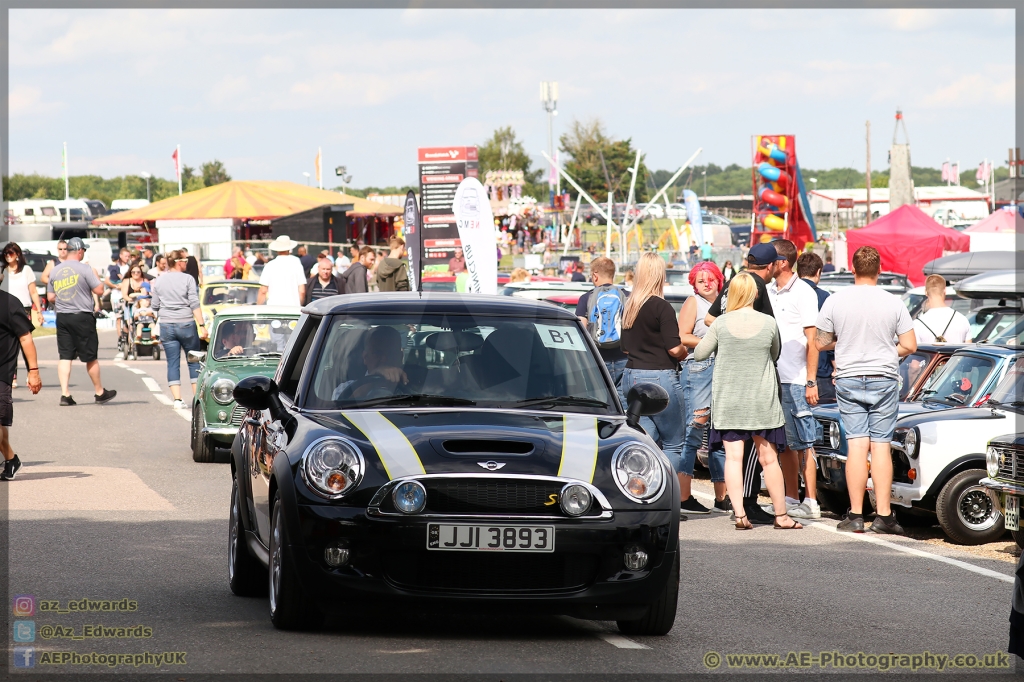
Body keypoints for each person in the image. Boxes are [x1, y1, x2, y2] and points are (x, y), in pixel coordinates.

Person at [815, 245, 917, 534]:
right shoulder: (894, 302)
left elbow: (821, 342)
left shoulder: (836, 301)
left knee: (857, 445)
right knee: (881, 446)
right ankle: (884, 515)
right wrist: (885, 349)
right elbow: (910, 345)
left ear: (852, 269)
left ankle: (856, 514)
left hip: (848, 377)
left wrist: (845, 342)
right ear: (880, 270)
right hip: (883, 375)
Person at [694, 272, 799, 530]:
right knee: (769, 458)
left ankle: (740, 515)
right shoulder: (768, 323)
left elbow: (699, 354)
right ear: (755, 294)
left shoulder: (720, 324)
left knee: (733, 457)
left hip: (730, 400)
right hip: (762, 399)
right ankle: (782, 515)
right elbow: (775, 353)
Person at [704, 242, 782, 525]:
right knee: (758, 449)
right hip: (752, 381)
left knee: (736, 451)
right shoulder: (756, 286)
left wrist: (727, 334)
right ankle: (750, 502)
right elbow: (773, 339)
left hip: (729, 381)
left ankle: (741, 508)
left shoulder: (737, 282)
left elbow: (711, 317)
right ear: (772, 266)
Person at [619, 253, 689, 503]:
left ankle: (638, 496)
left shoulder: (630, 305)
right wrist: (686, 352)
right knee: (673, 443)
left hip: (631, 376)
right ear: (659, 275)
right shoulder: (662, 306)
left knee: (644, 442)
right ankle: (666, 500)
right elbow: (674, 348)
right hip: (660, 378)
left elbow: (625, 348)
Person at [766, 239, 823, 521]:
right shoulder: (768, 291)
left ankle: (811, 500)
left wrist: (811, 380)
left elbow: (813, 340)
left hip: (797, 378)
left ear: (783, 263)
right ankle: (790, 497)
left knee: (804, 441)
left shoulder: (803, 292)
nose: (766, 262)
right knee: (785, 444)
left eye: (770, 258)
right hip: (774, 378)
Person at [676, 260, 728, 514]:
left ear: (719, 279)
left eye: (710, 279)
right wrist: (711, 342)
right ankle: (683, 495)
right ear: (694, 285)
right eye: (700, 280)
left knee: (721, 432)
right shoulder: (693, 303)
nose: (706, 284)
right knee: (694, 430)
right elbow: (682, 336)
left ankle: (722, 496)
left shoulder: (728, 303)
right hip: (699, 367)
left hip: (724, 368)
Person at [46, 238, 116, 406]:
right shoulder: (85, 269)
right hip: (82, 315)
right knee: (90, 356)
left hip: (63, 316)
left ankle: (65, 394)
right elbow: (99, 289)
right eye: (84, 250)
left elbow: (50, 297)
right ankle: (99, 392)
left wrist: (65, 300)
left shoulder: (55, 270)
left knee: (65, 356)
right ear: (79, 251)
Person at [151, 250, 207, 409]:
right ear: (178, 262)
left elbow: (154, 305)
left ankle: (177, 400)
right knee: (194, 361)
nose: (187, 262)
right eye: (184, 260)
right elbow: (194, 303)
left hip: (167, 325)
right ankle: (197, 400)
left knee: (172, 362)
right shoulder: (188, 279)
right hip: (187, 324)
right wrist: (202, 325)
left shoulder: (160, 280)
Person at [0, 287, 42, 480]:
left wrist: (33, 372)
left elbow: (25, 338)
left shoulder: (9, 303)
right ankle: (11, 460)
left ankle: (11, 460)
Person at [576, 257, 628, 400]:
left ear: (595, 275)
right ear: (613, 274)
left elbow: (581, 331)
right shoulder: (627, 296)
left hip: (598, 360)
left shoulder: (586, 298)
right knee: (623, 401)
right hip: (624, 358)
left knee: (601, 402)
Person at [797, 252, 836, 404]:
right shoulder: (824, 297)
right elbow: (828, 335)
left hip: (792, 371)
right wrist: (836, 368)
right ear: (818, 271)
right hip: (820, 371)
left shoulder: (789, 294)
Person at [332, 325, 408, 400]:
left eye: (391, 353)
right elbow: (337, 406)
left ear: (400, 357)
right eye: (377, 353)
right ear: (365, 357)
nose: (384, 359)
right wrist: (371, 380)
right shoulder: (346, 388)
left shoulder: (414, 386)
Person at [2, 243, 41, 388]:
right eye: (6, 253)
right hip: (6, 309)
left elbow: (33, 292)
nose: (8, 256)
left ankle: (31, 372)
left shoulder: (26, 270)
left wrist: (39, 310)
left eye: (11, 253)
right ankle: (12, 376)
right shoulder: (3, 271)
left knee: (25, 341)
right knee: (9, 344)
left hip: (23, 309)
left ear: (17, 254)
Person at [914, 274, 971, 344]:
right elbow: (969, 350)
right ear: (945, 290)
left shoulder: (917, 324)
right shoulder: (962, 320)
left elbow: (916, 352)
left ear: (926, 292)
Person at [257, 236, 306, 306]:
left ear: (277, 250)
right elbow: (302, 291)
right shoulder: (296, 263)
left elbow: (263, 291)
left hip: (274, 308)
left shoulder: (270, 265)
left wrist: (258, 307)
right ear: (289, 249)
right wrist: (298, 305)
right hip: (293, 309)